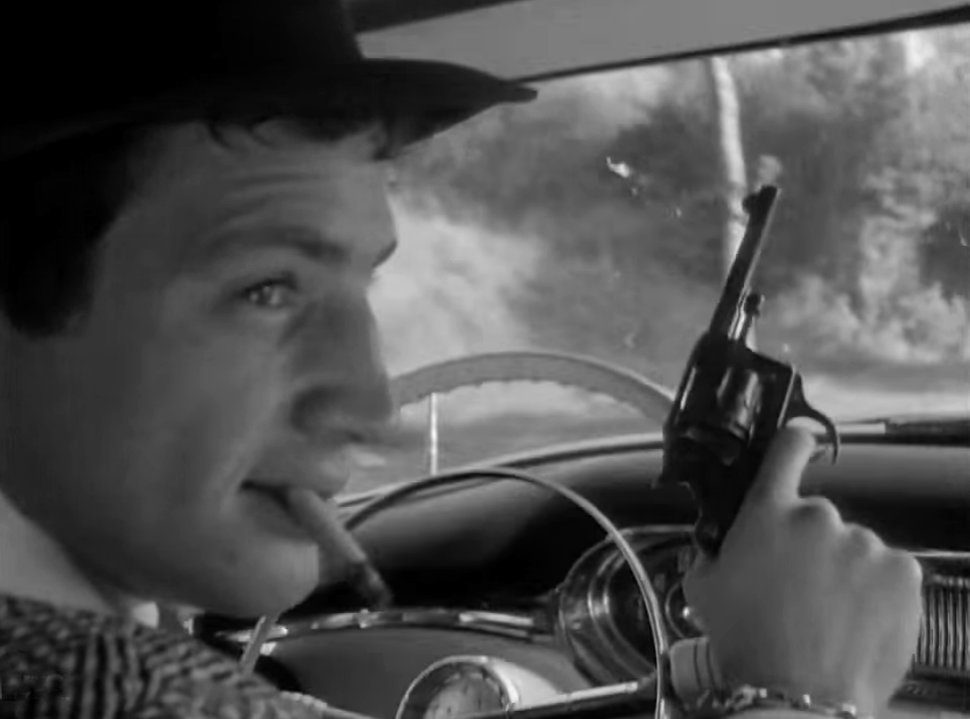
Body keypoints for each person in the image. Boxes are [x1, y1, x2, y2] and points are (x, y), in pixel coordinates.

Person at [0, 1, 924, 718]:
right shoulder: (116, 687)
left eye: (362, 282)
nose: (372, 405)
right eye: (267, 289)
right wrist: (799, 690)